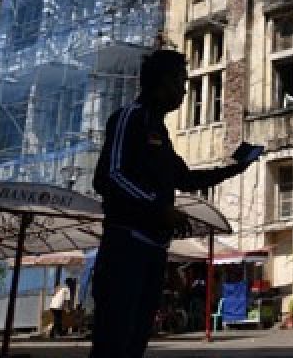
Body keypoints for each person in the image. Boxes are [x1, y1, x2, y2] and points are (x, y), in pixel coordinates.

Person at [89, 48, 261, 358]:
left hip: (154, 251)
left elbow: (186, 179)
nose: (184, 91)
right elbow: (108, 176)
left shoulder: (160, 133)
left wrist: (235, 167)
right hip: (126, 246)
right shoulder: (129, 117)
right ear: (162, 82)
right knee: (113, 340)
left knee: (135, 341)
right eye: (181, 82)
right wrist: (158, 208)